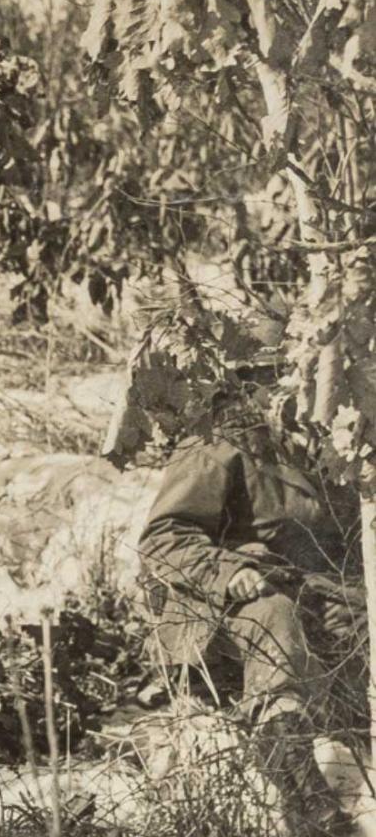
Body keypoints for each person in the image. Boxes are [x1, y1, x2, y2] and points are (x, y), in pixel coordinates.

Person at [138, 343, 364, 837]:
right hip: (221, 606)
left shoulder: (337, 443)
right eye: (269, 377)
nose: (285, 389)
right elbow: (163, 537)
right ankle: (304, 794)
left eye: (295, 376)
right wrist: (227, 571)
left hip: (317, 595)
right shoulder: (215, 445)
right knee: (272, 615)